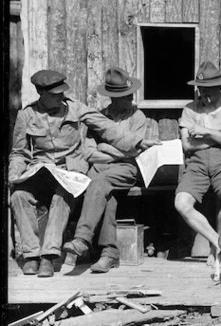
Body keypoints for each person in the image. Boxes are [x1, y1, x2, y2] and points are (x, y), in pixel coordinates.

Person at [9, 69, 158, 277]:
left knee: (62, 196)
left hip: (68, 171)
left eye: (62, 92)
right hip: (40, 170)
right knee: (18, 195)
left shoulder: (74, 108)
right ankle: (31, 256)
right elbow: (18, 153)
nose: (61, 97)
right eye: (55, 94)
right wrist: (14, 175)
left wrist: (137, 142)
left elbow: (107, 128)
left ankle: (48, 258)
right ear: (41, 93)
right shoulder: (27, 115)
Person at [63, 68, 147, 273]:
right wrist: (117, 151)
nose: (128, 98)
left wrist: (106, 147)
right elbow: (90, 153)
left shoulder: (138, 117)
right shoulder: (100, 117)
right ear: (112, 98)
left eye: (129, 94)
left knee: (99, 184)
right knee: (103, 194)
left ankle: (82, 240)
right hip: (101, 169)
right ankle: (109, 254)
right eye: (122, 96)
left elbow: (134, 152)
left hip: (126, 169)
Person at [174, 61, 221, 261]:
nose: (204, 94)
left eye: (209, 90)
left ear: (220, 87)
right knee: (181, 203)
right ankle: (219, 243)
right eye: (201, 89)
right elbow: (187, 145)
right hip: (196, 165)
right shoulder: (190, 109)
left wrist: (206, 132)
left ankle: (218, 247)